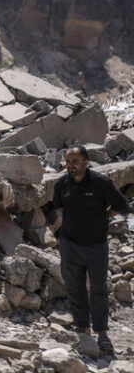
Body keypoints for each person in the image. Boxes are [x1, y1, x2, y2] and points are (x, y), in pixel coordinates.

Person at [52, 145, 129, 353]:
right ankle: (83, 330)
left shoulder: (100, 183)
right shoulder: (61, 184)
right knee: (74, 288)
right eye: (68, 162)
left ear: (86, 161)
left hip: (95, 246)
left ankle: (102, 333)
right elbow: (58, 207)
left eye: (75, 162)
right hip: (70, 245)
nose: (71, 166)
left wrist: (104, 216)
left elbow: (121, 205)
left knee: (98, 290)